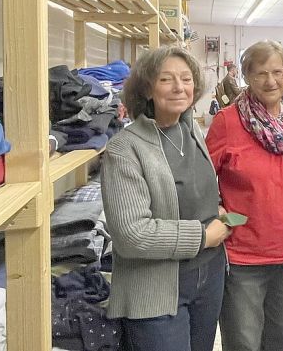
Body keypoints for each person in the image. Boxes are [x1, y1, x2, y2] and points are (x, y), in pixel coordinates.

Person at [100, 46, 232, 351]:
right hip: (156, 291)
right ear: (147, 88)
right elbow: (131, 235)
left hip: (209, 278)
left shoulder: (192, 131)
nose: (179, 87)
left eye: (186, 79)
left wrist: (218, 210)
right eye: (166, 80)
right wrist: (203, 236)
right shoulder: (125, 148)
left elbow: (194, 189)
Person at [206, 40, 283, 351]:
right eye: (261, 73)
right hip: (243, 258)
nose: (271, 81)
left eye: (278, 72)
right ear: (246, 77)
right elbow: (201, 180)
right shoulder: (227, 121)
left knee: (282, 340)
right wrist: (218, 211)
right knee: (243, 343)